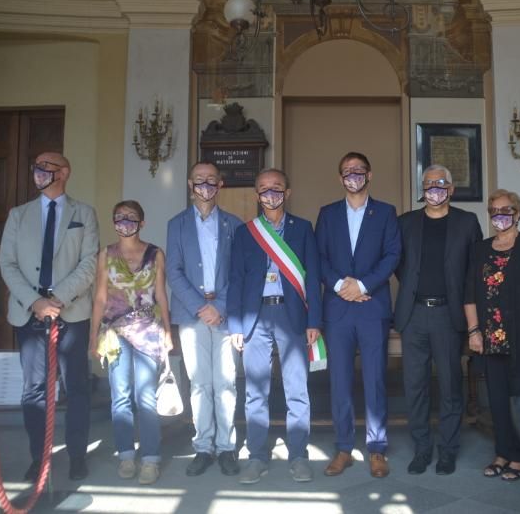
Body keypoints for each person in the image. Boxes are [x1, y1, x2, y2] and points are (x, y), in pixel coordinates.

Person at [0, 151, 98, 482]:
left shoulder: (84, 213)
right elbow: (7, 263)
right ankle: (39, 459)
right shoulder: (18, 215)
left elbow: (89, 263)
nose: (39, 172)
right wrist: (35, 302)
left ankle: (77, 456)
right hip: (29, 314)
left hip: (72, 313)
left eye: (46, 167)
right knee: (34, 390)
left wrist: (57, 299)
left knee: (76, 387)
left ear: (64, 173)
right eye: (36, 167)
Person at [227, 168, 322, 485]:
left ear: (287, 192)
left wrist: (314, 320)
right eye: (264, 189)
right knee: (255, 392)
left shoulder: (303, 228)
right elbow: (236, 280)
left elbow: (312, 277)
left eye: (277, 188)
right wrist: (236, 324)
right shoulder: (246, 232)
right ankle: (256, 457)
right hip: (254, 317)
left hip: (291, 316)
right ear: (257, 195)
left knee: (297, 390)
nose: (271, 194)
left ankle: (299, 456)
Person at [315, 152, 401, 478]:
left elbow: (392, 255)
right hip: (338, 310)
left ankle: (377, 449)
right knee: (339, 381)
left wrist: (363, 285)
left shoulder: (386, 212)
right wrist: (341, 286)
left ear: (369, 175)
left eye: (359, 170)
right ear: (340, 178)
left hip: (372, 307)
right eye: (347, 171)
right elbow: (319, 257)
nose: (353, 175)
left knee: (375, 379)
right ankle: (343, 448)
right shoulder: (328, 214)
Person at [394, 164, 481, 475]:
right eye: (429, 183)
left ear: (451, 189)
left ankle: (448, 450)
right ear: (422, 188)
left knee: (450, 385)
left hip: (448, 314)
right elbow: (399, 265)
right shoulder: (405, 222)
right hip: (414, 313)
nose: (435, 188)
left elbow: (474, 270)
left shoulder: (467, 222)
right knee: (415, 386)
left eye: (441, 183)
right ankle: (421, 449)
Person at [465, 189, 520, 482]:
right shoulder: (479, 249)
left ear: (518, 213)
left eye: (506, 210)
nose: (499, 216)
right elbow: (469, 295)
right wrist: (474, 331)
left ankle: (519, 455)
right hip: (490, 338)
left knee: (519, 397)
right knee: (498, 398)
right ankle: (502, 452)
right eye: (494, 211)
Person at [166, 161, 243, 477]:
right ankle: (203, 446)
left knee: (225, 382)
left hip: (224, 313)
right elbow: (173, 271)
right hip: (192, 313)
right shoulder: (177, 224)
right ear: (190, 184)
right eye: (199, 180)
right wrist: (201, 307)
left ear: (220, 184)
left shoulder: (234, 224)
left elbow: (239, 272)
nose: (205, 185)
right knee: (199, 383)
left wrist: (219, 306)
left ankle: (226, 447)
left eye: (212, 180)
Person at [89, 200, 173, 485]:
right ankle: (125, 454)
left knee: (146, 396)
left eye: (131, 217)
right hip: (114, 333)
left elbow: (161, 295)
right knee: (121, 395)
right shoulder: (106, 254)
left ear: (142, 222)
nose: (125, 221)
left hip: (149, 330)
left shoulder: (155, 254)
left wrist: (168, 332)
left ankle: (151, 459)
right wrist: (93, 337)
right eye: (120, 217)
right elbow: (100, 298)